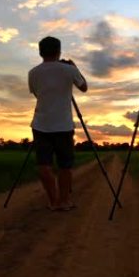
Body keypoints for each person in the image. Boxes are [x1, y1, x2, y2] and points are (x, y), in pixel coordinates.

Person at [28, 36, 88, 211]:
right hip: (63, 125)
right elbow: (84, 87)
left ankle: (52, 201)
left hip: (40, 124)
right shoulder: (69, 70)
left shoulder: (33, 72)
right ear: (59, 51)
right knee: (65, 165)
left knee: (43, 164)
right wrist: (75, 68)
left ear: (40, 52)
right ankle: (64, 201)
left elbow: (37, 94)